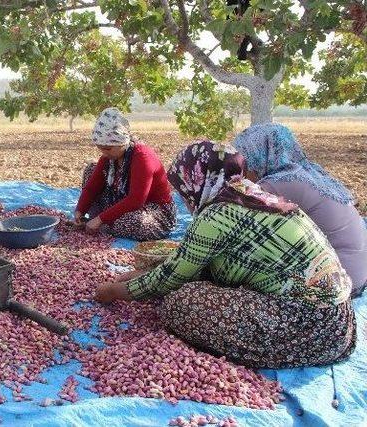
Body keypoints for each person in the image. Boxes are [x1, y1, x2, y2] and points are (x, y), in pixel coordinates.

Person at [95, 140, 356, 369]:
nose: (184, 199)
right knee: (192, 285)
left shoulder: (217, 215)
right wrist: (146, 274)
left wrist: (115, 292)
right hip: (341, 320)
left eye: (183, 190)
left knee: (179, 302)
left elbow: (172, 278)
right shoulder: (254, 195)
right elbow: (198, 261)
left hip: (309, 327)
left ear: (197, 180)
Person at [233, 123, 367, 298]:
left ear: (258, 157)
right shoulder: (308, 172)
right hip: (357, 275)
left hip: (338, 286)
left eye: (243, 161)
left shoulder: (278, 183)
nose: (241, 170)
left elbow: (232, 223)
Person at [74, 108, 176, 241]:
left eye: (108, 149)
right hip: (120, 201)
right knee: (91, 170)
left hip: (152, 210)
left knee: (135, 222)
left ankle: (100, 223)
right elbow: (92, 187)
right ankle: (99, 222)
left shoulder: (142, 157)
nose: (104, 153)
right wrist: (79, 211)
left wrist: (100, 219)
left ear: (121, 142)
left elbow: (136, 200)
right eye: (100, 148)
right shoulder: (109, 158)